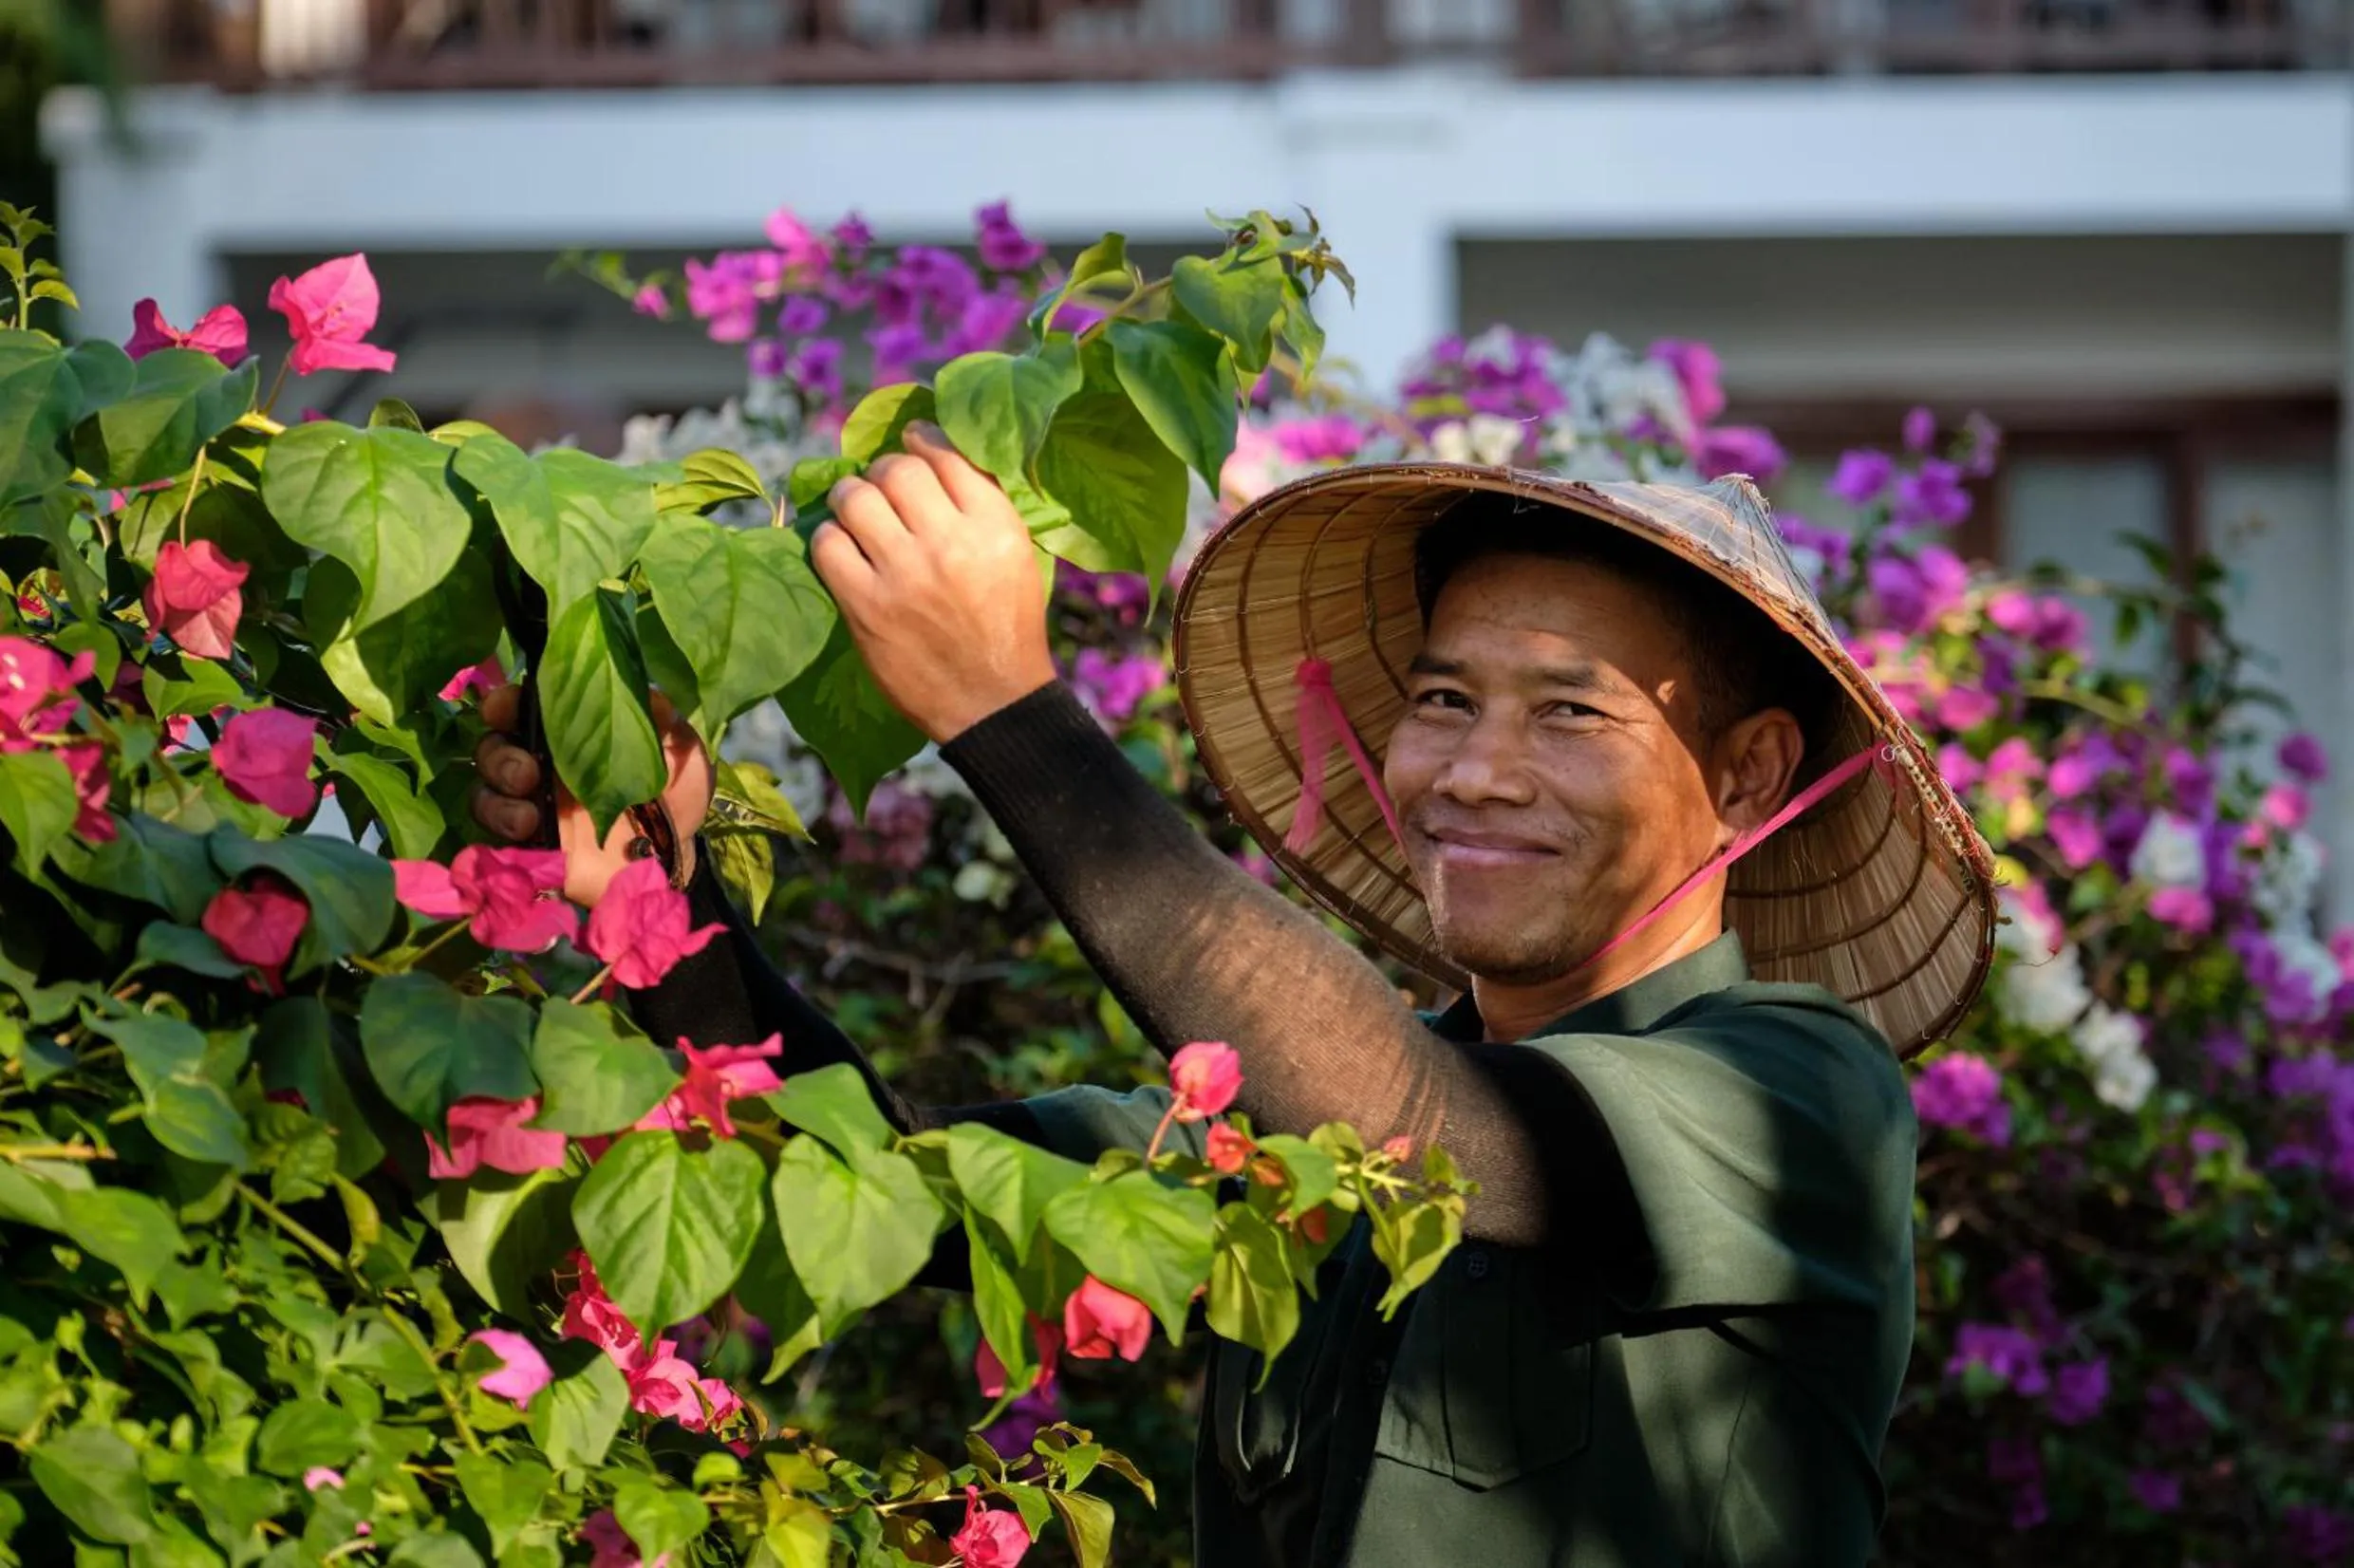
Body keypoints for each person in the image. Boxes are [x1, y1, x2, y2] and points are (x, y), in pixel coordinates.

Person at [471, 423, 1997, 1567]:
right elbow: (883, 1183)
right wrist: (648, 894)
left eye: (1570, 715)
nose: (1476, 770)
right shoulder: (1290, 1132)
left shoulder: (1801, 1094)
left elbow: (1418, 1123)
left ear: (1747, 778)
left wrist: (1005, 711)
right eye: (1446, 700)